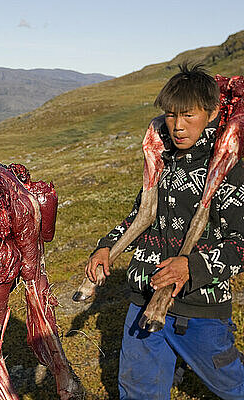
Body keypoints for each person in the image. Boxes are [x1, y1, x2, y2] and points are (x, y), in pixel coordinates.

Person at [86, 64, 244, 399]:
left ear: (213, 112)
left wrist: (192, 267)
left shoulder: (232, 169)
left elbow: (240, 245)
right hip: (143, 301)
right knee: (138, 389)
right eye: (171, 115)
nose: (178, 126)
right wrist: (106, 246)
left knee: (234, 387)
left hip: (200, 311)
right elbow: (139, 216)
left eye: (188, 115)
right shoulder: (161, 160)